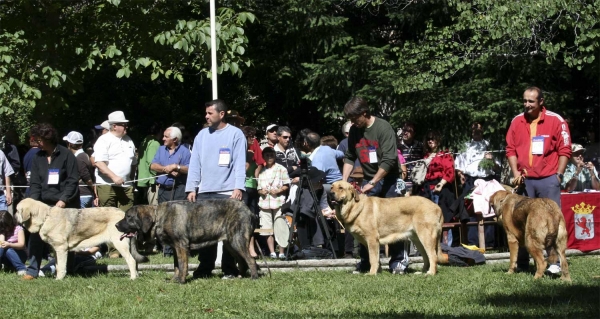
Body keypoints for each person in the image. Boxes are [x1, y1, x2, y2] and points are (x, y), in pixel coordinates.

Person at [506, 86, 571, 275]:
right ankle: (524, 263)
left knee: (550, 222)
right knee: (523, 222)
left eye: (531, 101)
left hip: (548, 179)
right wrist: (515, 171)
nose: (526, 105)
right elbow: (510, 149)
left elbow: (564, 150)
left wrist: (558, 175)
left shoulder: (555, 120)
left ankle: (553, 262)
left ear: (541, 102)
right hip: (525, 180)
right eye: (524, 101)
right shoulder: (517, 121)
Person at [341, 96, 408, 274]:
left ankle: (398, 263)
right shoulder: (355, 130)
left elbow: (388, 159)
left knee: (395, 223)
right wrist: (343, 181)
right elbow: (349, 156)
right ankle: (367, 264)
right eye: (350, 120)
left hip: (389, 180)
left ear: (365, 113)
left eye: (355, 119)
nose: (353, 123)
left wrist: (373, 182)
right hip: (369, 182)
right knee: (364, 226)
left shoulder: (383, 128)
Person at [185, 99, 247, 279]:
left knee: (229, 234)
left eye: (210, 113)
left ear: (221, 114)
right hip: (204, 192)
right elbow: (194, 163)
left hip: (228, 191)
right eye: (206, 113)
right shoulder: (201, 135)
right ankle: (204, 269)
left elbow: (239, 162)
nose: (206, 116)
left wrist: (238, 187)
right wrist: (192, 188)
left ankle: (230, 269)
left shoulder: (235, 134)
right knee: (205, 233)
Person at [23, 123, 80, 280]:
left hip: (64, 204)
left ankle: (68, 269)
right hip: (43, 204)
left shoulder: (66, 155)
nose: (37, 142)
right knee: (36, 236)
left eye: (40, 139)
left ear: (48, 139)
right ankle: (32, 270)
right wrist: (34, 203)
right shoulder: (37, 157)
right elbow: (34, 183)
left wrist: (63, 200)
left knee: (65, 238)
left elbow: (72, 180)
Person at [93, 111, 137, 212]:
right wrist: (114, 177)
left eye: (126, 125)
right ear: (115, 126)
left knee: (127, 216)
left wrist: (131, 180)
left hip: (126, 186)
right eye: (124, 125)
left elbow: (134, 163)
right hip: (107, 185)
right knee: (107, 217)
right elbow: (99, 163)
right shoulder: (103, 140)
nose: (126, 127)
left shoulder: (129, 140)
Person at [420, 130, 456, 242]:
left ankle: (446, 246)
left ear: (438, 140)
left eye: (433, 138)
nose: (430, 141)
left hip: (441, 189)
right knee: (430, 219)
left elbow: (450, 171)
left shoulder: (444, 154)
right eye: (428, 139)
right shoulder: (426, 156)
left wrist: (441, 184)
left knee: (443, 217)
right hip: (427, 190)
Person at [257, 147, 290, 259]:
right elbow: (258, 188)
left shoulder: (282, 169)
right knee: (267, 227)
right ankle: (272, 252)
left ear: (275, 156)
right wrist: (262, 191)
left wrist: (278, 190)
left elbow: (286, 184)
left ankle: (281, 251)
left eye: (271, 155)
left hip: (278, 201)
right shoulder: (261, 171)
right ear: (263, 157)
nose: (269, 157)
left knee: (281, 225)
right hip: (265, 202)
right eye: (267, 155)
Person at [241, 126, 261, 258]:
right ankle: (244, 248)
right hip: (243, 188)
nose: (253, 139)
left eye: (254, 136)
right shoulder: (243, 151)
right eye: (250, 136)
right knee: (243, 220)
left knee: (251, 219)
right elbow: (244, 168)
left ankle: (251, 248)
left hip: (252, 186)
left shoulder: (254, 150)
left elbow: (260, 162)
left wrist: (257, 173)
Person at [63, 131, 97, 208]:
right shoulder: (83, 155)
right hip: (85, 194)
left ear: (69, 144)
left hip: (82, 195)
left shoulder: (79, 157)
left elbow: (86, 176)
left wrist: (93, 189)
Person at [137, 123, 162, 205]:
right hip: (151, 180)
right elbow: (152, 162)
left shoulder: (146, 140)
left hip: (145, 178)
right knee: (154, 207)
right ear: (159, 131)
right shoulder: (154, 143)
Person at [398, 122, 424, 195]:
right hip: (402, 183)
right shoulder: (398, 145)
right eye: (404, 130)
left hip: (417, 183)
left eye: (409, 131)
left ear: (414, 133)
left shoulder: (420, 146)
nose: (405, 133)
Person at [0, 210, 26, 275]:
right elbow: (1, 243)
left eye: (6, 227)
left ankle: (21, 269)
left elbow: (21, 245)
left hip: (19, 255)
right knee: (2, 247)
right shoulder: (2, 231)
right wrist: (2, 233)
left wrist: (9, 244)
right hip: (6, 258)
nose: (5, 229)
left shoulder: (18, 229)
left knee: (8, 250)